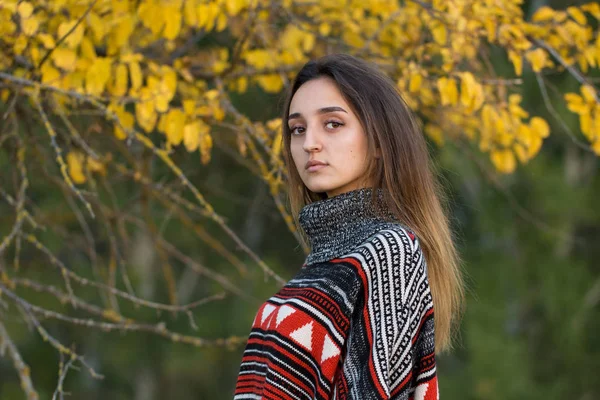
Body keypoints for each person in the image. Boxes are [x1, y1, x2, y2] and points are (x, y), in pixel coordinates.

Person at [233, 53, 465, 400]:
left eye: (332, 124)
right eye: (298, 129)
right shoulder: (323, 262)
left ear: (379, 143)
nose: (309, 142)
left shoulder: (389, 250)